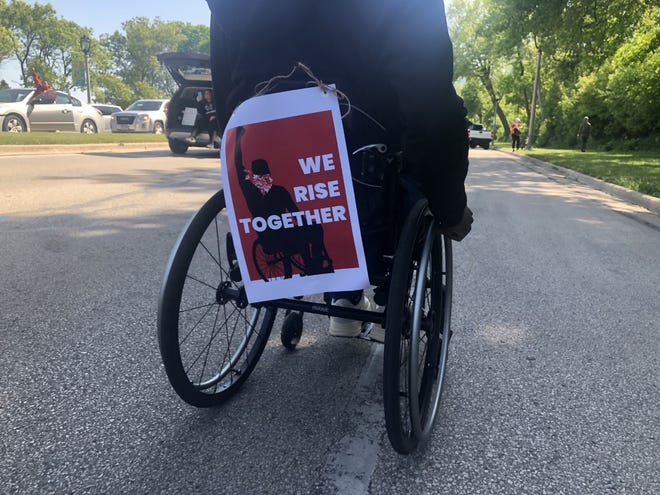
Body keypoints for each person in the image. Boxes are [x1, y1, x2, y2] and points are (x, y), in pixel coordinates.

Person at [206, 0, 473, 338]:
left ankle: (345, 297)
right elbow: (430, 105)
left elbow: (224, 80)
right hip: (366, 158)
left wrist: (237, 136)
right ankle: (373, 294)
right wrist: (449, 206)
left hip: (265, 132)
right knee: (406, 162)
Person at [233, 125, 332, 278]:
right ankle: (311, 264)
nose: (265, 179)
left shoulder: (279, 190)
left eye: (267, 176)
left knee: (313, 228)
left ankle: (315, 262)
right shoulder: (251, 193)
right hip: (269, 238)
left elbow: (295, 212)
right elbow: (238, 167)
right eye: (261, 177)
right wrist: (238, 138)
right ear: (255, 179)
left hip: (285, 231)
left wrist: (307, 224)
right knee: (298, 236)